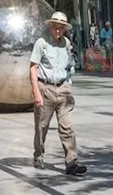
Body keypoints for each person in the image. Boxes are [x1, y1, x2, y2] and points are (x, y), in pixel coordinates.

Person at [31, 12, 87, 176]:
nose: (58, 30)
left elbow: (69, 64)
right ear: (51, 26)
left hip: (63, 89)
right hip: (45, 89)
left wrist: (69, 84)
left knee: (67, 127)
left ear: (64, 29)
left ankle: (71, 162)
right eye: (55, 26)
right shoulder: (41, 43)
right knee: (42, 127)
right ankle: (38, 156)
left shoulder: (66, 43)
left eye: (61, 27)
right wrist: (36, 93)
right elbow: (33, 68)